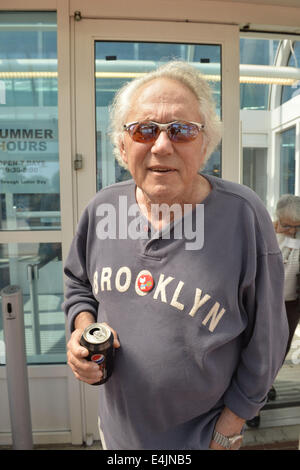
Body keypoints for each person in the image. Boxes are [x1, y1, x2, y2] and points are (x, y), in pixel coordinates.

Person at [63, 61, 289, 450]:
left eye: (182, 130)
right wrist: (82, 329)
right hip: (117, 435)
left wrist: (229, 429)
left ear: (205, 144)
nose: (162, 145)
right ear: (122, 144)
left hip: (203, 439)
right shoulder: (102, 209)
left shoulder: (242, 215)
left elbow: (266, 341)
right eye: (144, 130)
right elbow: (78, 284)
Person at [246, 194, 300, 429]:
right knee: (260, 349)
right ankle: (252, 405)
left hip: (291, 304)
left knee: (282, 347)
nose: (291, 231)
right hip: (266, 301)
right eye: (286, 225)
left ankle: (267, 384)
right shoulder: (265, 232)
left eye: (297, 227)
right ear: (278, 218)